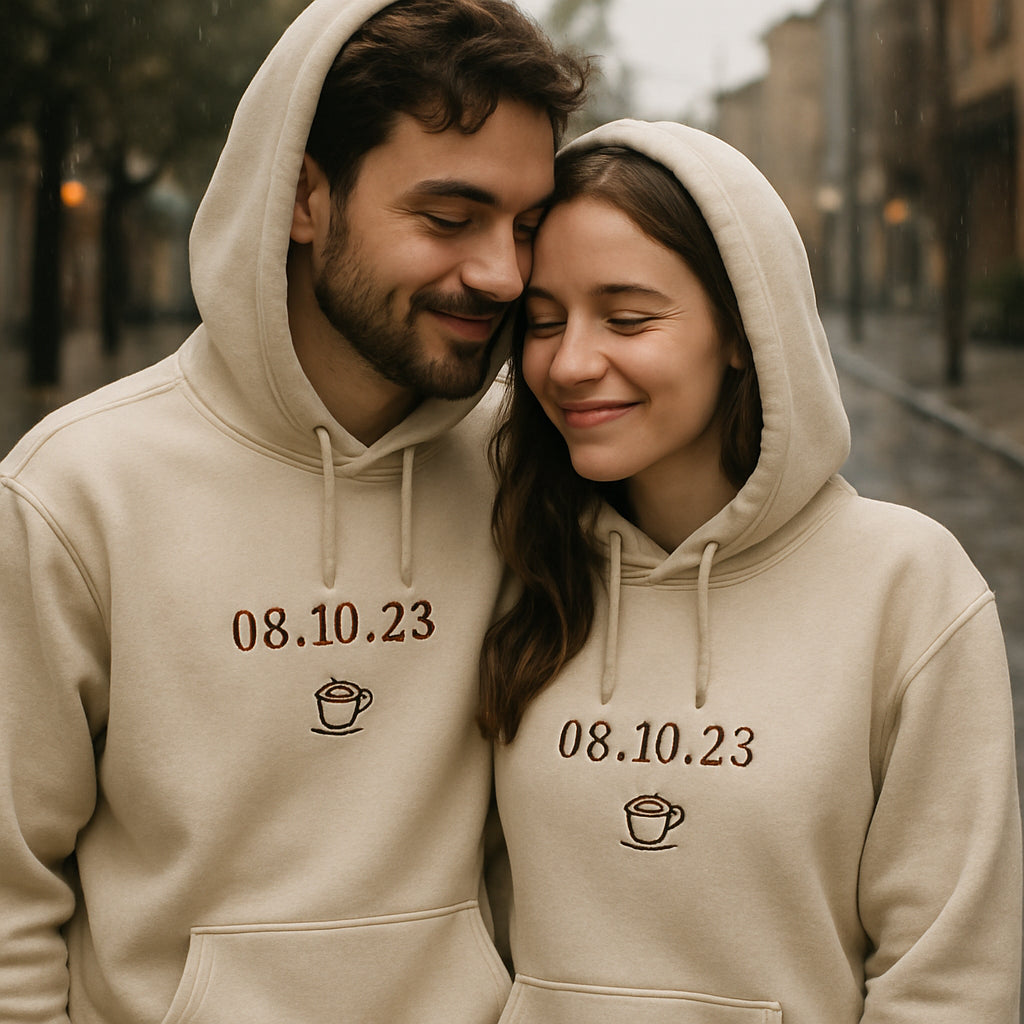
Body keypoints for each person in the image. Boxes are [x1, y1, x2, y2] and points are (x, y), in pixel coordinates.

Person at [0, 2, 588, 1021]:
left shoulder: (526, 468)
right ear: (305, 196)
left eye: (525, 229)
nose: (501, 273)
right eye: (449, 218)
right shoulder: (76, 492)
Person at [480, 119, 1022, 1023]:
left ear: (743, 330)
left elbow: (950, 981)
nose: (570, 362)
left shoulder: (905, 584)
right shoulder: (520, 563)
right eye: (543, 322)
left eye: (627, 318)